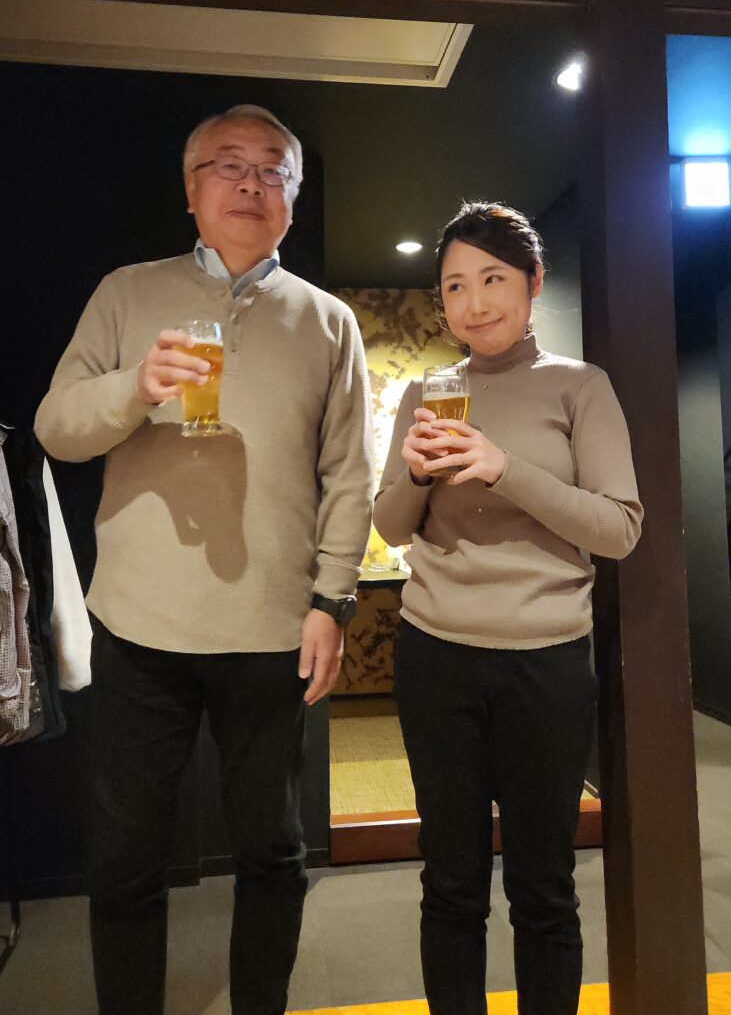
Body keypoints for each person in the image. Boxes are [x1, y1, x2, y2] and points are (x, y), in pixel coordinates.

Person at [35, 104, 374, 1015]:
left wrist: (331, 602)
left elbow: (349, 473)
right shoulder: (125, 292)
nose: (251, 184)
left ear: (292, 199)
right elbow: (56, 428)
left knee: (272, 851)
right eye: (229, 165)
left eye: (273, 171)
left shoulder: (328, 321)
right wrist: (134, 386)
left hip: (272, 629)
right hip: (138, 624)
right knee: (126, 859)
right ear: (191, 191)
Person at [373, 201, 643, 1015]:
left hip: (545, 663)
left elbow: (618, 529)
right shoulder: (428, 391)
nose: (473, 302)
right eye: (454, 285)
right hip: (435, 657)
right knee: (450, 882)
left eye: (492, 279)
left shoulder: (579, 386)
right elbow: (390, 527)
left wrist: (503, 469)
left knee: (542, 886)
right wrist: (414, 476)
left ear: (532, 283)